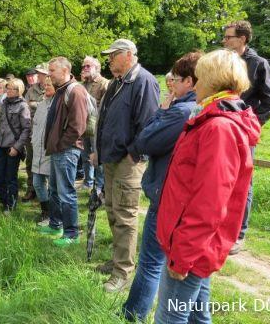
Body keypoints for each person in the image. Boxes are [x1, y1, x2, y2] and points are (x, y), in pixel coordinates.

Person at [153, 49, 261, 324]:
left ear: (213, 81)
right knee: (197, 317)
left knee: (170, 318)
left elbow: (210, 202)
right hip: (195, 246)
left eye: (199, 78)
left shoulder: (219, 128)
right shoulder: (210, 120)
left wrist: (183, 256)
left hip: (192, 249)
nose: (196, 84)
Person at [121, 51, 201, 322]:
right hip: (179, 196)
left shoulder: (180, 111)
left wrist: (161, 113)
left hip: (167, 196)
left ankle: (132, 315)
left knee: (151, 263)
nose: (171, 85)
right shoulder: (196, 109)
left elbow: (144, 141)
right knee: (196, 278)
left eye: (175, 80)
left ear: (190, 81)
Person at [92, 39, 159, 293]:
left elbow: (148, 124)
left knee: (125, 214)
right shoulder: (117, 83)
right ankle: (118, 259)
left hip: (128, 161)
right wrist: (98, 151)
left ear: (128, 55)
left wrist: (133, 154)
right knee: (112, 209)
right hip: (111, 158)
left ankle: (123, 272)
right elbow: (105, 119)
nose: (109, 61)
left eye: (113, 56)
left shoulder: (144, 81)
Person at [222, 20, 270, 255]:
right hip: (221, 130)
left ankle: (238, 234)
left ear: (242, 39)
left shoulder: (258, 64)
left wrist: (250, 123)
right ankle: (221, 226)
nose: (224, 41)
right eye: (224, 37)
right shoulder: (224, 62)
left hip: (243, 133)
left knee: (242, 183)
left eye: (229, 37)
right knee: (222, 178)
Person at [38, 56, 88, 247]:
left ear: (65, 71)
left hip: (67, 150)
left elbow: (78, 126)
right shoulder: (62, 90)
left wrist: (61, 145)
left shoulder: (75, 91)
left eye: (52, 71)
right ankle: (55, 224)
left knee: (66, 192)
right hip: (58, 150)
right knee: (55, 190)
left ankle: (72, 234)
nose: (49, 75)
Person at [0, 79, 31, 213]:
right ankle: (3, 203)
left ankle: (11, 206)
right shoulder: (4, 104)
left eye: (11, 88)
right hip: (0, 146)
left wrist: (17, 147)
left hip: (13, 147)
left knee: (10, 178)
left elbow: (26, 129)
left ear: (19, 90)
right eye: (7, 88)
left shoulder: (23, 106)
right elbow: (0, 126)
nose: (8, 91)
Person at [80, 56, 110, 193]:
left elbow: (107, 107)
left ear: (97, 68)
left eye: (88, 66)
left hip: (98, 126)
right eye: (83, 66)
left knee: (97, 156)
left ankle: (100, 185)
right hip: (84, 125)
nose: (84, 69)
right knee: (85, 155)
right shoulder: (83, 85)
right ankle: (87, 182)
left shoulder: (105, 83)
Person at [23, 63, 49, 202]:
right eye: (37, 73)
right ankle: (31, 189)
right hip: (32, 130)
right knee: (30, 161)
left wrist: (35, 105)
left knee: (47, 163)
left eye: (40, 73)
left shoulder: (53, 88)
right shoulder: (32, 90)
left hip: (47, 132)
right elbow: (26, 108)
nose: (38, 75)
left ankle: (47, 194)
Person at [31, 77, 54, 225]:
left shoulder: (58, 104)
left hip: (51, 150)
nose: (46, 87)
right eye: (45, 85)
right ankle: (45, 211)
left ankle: (54, 216)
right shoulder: (41, 105)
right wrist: (33, 139)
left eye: (49, 85)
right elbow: (35, 125)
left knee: (53, 185)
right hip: (37, 149)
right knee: (37, 183)